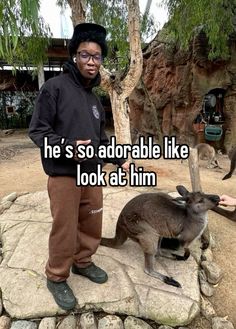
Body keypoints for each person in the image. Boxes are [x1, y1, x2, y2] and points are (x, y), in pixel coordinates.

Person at [29, 23, 129, 311]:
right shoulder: (54, 88)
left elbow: (100, 140)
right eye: (86, 55)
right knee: (65, 227)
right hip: (63, 176)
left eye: (97, 57)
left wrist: (121, 158)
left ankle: (83, 261)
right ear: (74, 56)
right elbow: (38, 131)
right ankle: (57, 276)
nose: (92, 62)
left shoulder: (94, 99)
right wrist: (67, 147)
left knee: (92, 220)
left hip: (92, 174)